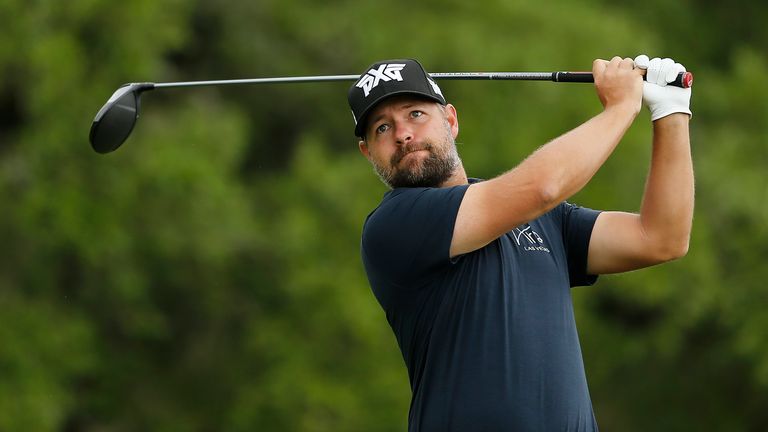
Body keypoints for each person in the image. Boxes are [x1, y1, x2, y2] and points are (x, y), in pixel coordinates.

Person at [347, 56, 693, 431]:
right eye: (382, 128)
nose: (402, 134)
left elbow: (661, 238)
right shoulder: (394, 225)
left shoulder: (542, 218)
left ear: (450, 120)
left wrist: (671, 111)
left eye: (415, 114)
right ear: (368, 152)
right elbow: (542, 187)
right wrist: (623, 106)